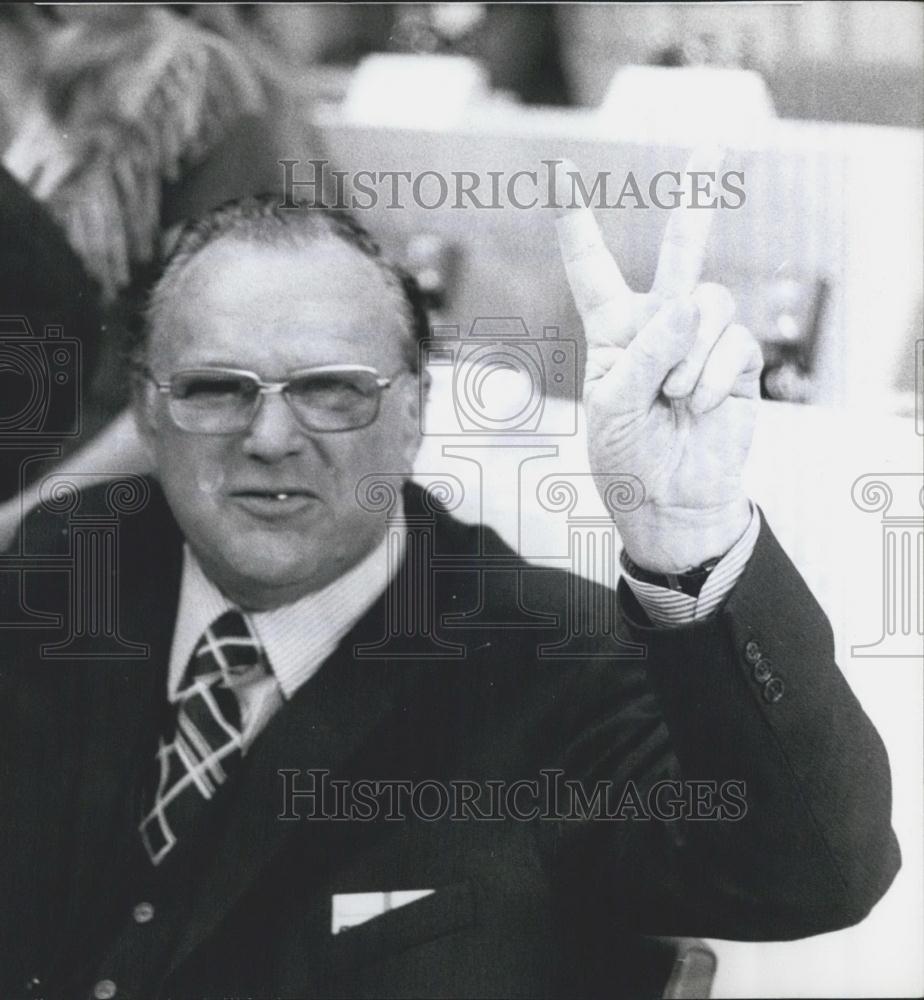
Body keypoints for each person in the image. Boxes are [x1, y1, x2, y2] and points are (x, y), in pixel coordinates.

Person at [0, 186, 900, 999]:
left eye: (331, 391)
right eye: (213, 389)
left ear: (414, 412)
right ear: (147, 411)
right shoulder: (68, 567)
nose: (270, 437)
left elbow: (812, 874)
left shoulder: (553, 662)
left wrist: (690, 533)